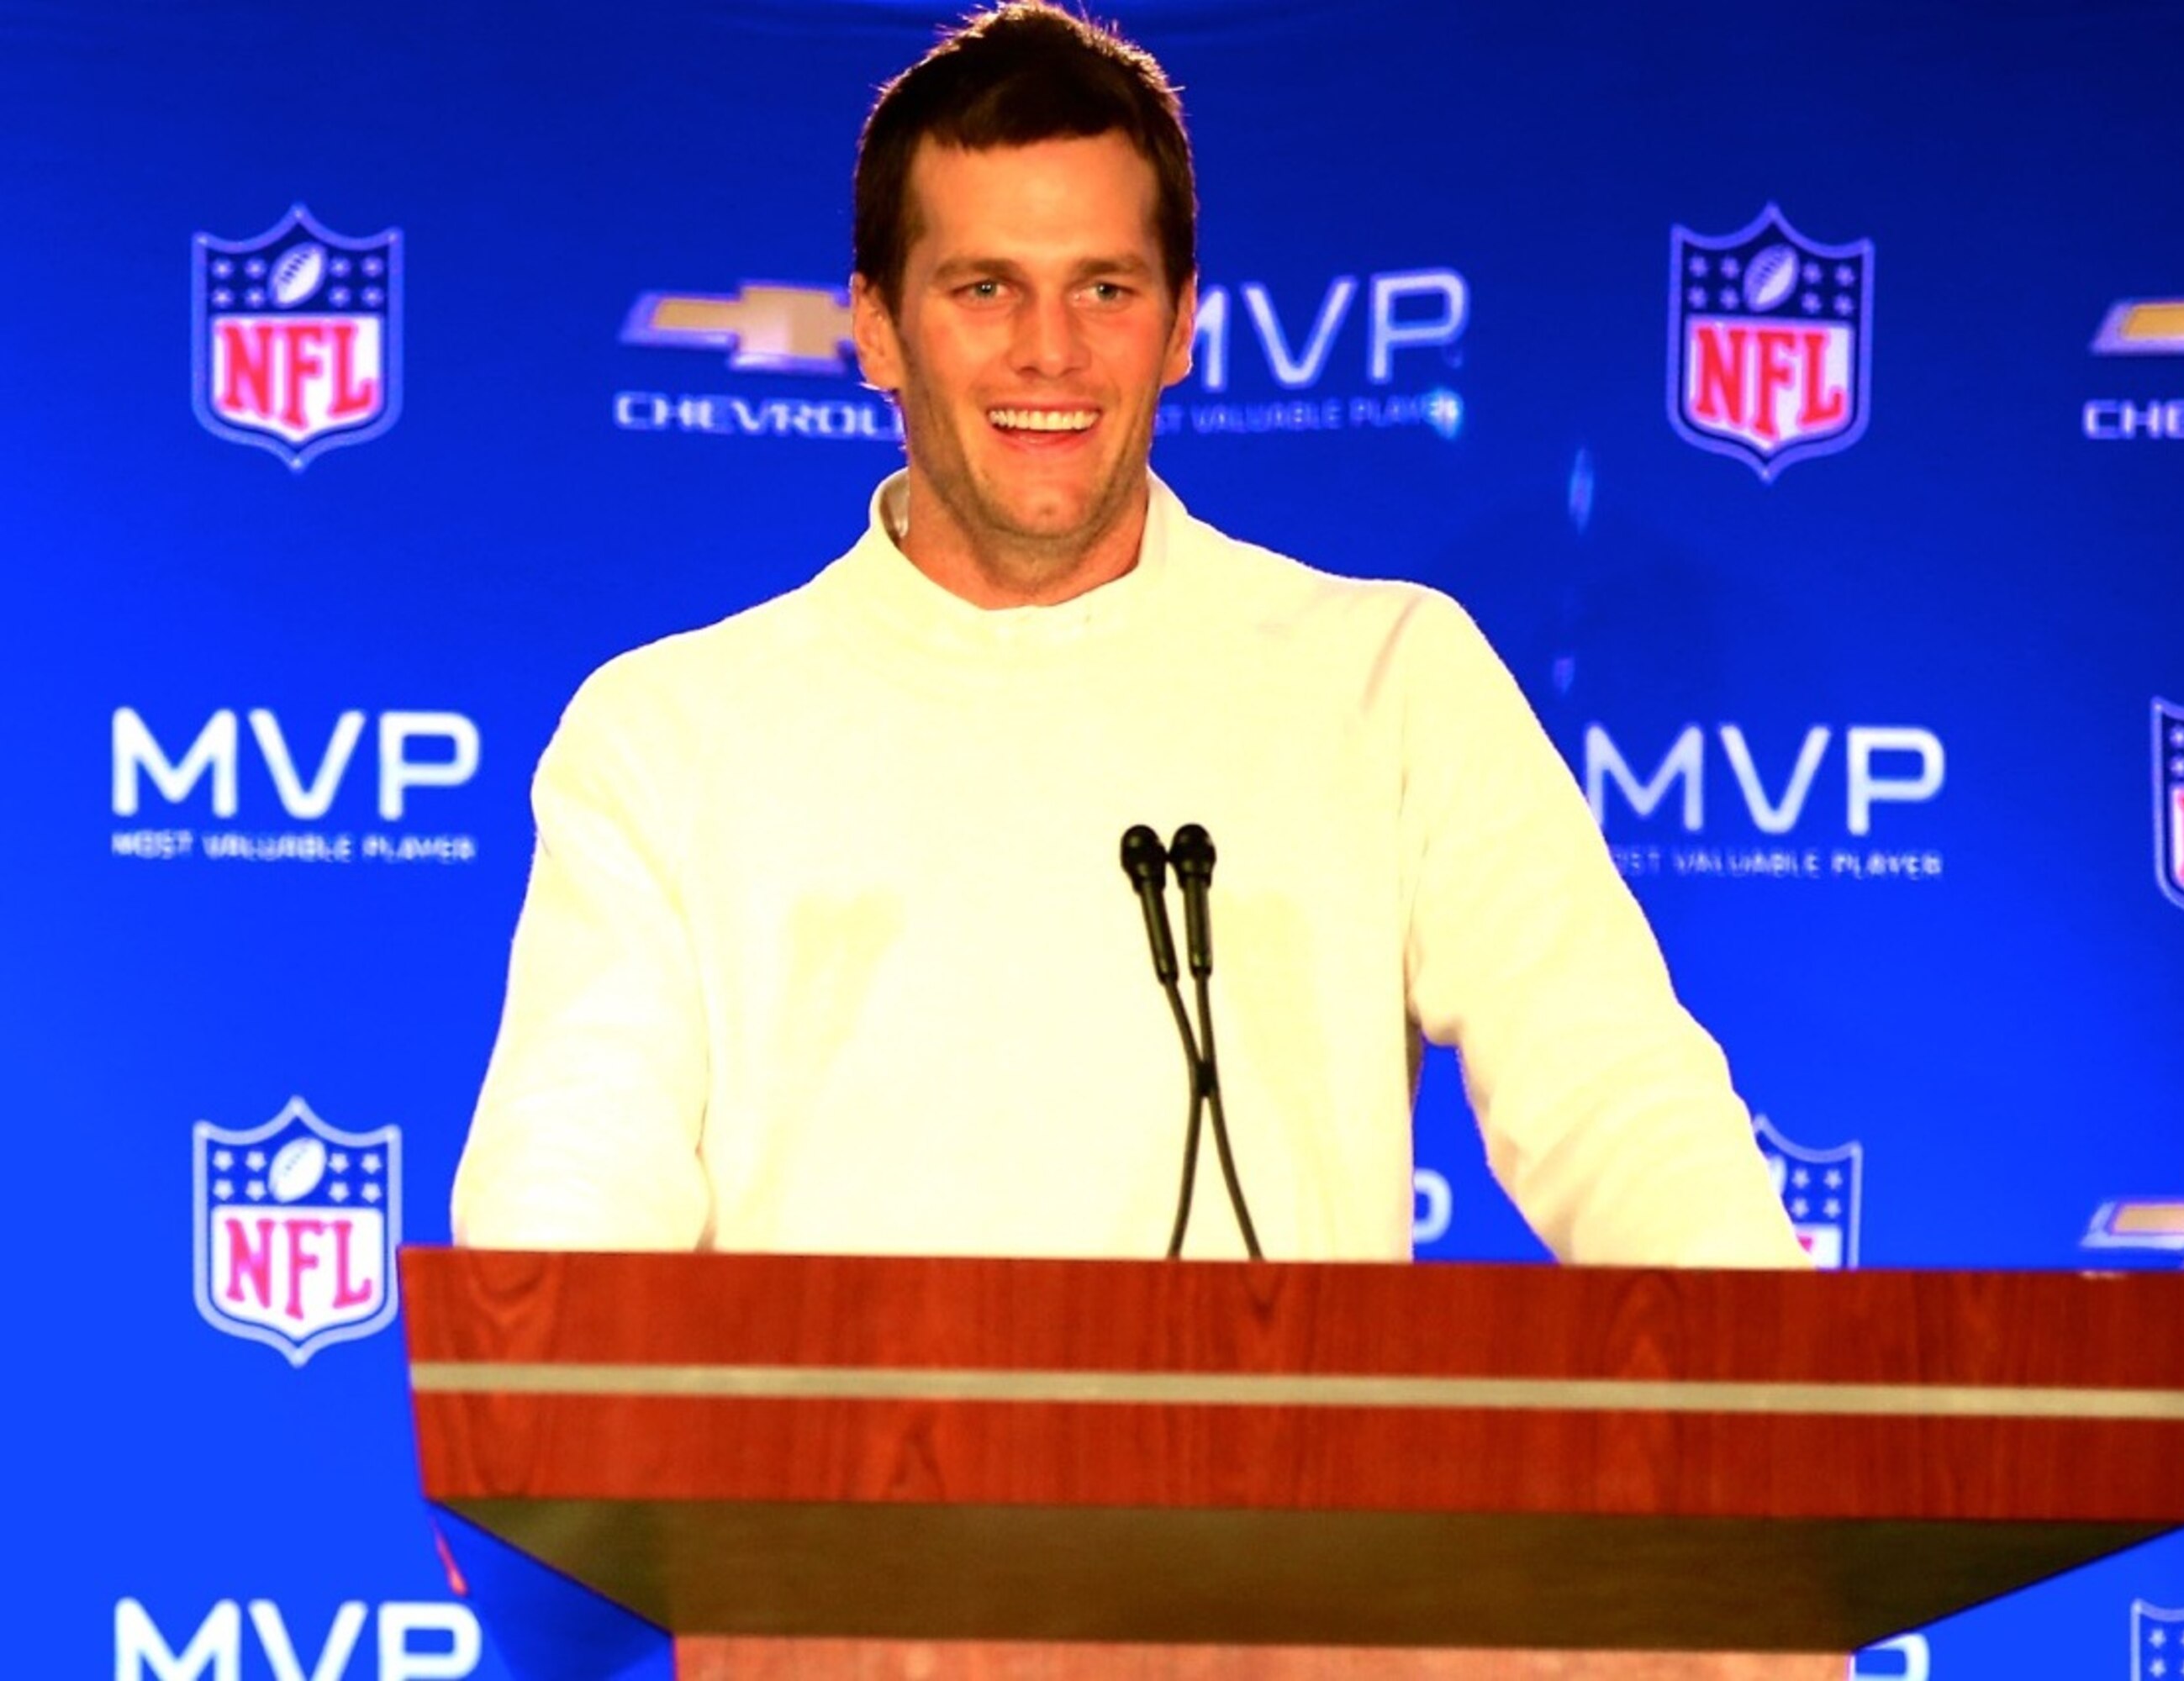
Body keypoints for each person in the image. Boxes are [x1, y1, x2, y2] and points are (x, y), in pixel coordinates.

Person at [450, 1, 1805, 1268]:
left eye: (1103, 289)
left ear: (1179, 329)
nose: (1051, 350)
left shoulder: (1386, 679)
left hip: (1284, 1517)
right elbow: (565, 1204)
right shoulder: (669, 734)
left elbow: (1620, 1099)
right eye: (984, 289)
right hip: (830, 1522)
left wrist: (1796, 1419)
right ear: (873, 328)